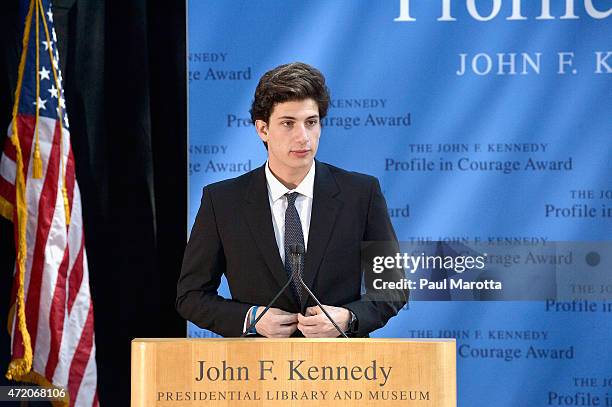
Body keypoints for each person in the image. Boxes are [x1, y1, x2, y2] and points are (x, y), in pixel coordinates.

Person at [176, 62, 406, 338]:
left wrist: (349, 317)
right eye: (288, 123)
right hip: (253, 370)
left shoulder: (361, 193)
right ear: (262, 129)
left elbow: (393, 287)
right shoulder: (223, 201)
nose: (303, 137)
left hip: (344, 371)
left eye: (311, 122)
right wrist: (251, 319)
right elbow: (191, 295)